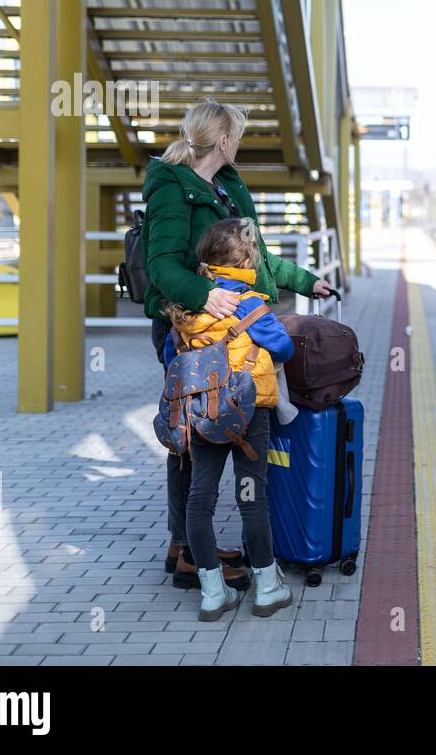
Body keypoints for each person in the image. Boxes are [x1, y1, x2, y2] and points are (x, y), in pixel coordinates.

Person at [142, 99, 333, 589]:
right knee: (191, 435)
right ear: (223, 140)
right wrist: (208, 295)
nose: (241, 143)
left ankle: (192, 545)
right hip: (193, 331)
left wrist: (306, 282)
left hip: (238, 334)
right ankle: (185, 550)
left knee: (212, 429)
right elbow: (162, 267)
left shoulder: (226, 188)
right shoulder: (172, 189)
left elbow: (258, 259)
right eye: (239, 135)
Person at [164, 217, 295, 620]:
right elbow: (284, 348)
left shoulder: (187, 308)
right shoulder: (251, 303)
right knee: (251, 497)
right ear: (246, 259)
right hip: (247, 410)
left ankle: (211, 591)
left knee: (199, 498)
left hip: (202, 412)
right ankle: (267, 586)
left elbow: (174, 363)